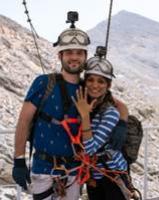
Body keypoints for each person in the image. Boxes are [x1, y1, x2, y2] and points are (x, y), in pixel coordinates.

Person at [12, 14, 91, 200]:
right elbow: (24, 121)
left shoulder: (87, 89)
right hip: (43, 170)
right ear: (60, 55)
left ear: (85, 57)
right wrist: (18, 160)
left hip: (74, 173)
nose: (74, 57)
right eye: (69, 52)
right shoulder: (43, 83)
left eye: (79, 53)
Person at [73, 52, 130, 200]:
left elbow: (90, 148)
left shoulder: (110, 113)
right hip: (95, 176)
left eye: (101, 81)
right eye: (90, 80)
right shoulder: (88, 107)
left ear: (108, 85)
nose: (95, 85)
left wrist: (84, 116)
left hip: (112, 175)